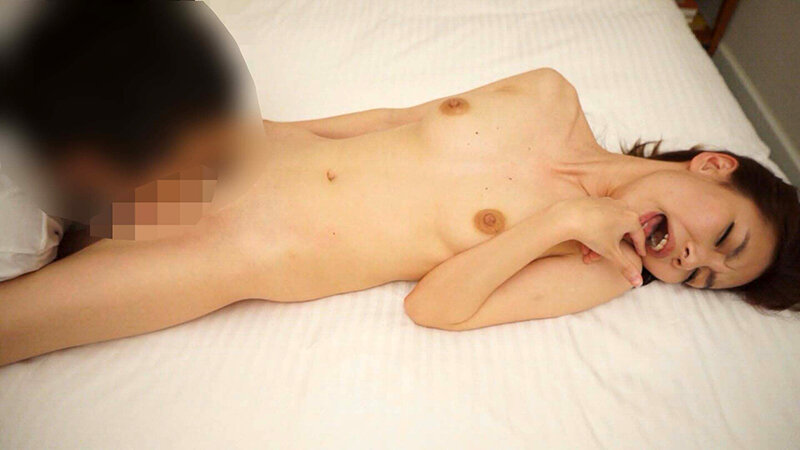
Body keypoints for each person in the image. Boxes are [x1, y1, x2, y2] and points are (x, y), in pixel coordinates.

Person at [1, 12, 798, 367]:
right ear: (713, 166)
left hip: (231, 253)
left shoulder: (601, 269)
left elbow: (437, 307)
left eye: (703, 277)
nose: (691, 259)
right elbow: (392, 122)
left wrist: (568, 219)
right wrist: (263, 130)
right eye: (722, 238)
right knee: (32, 144)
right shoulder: (548, 95)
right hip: (220, 158)